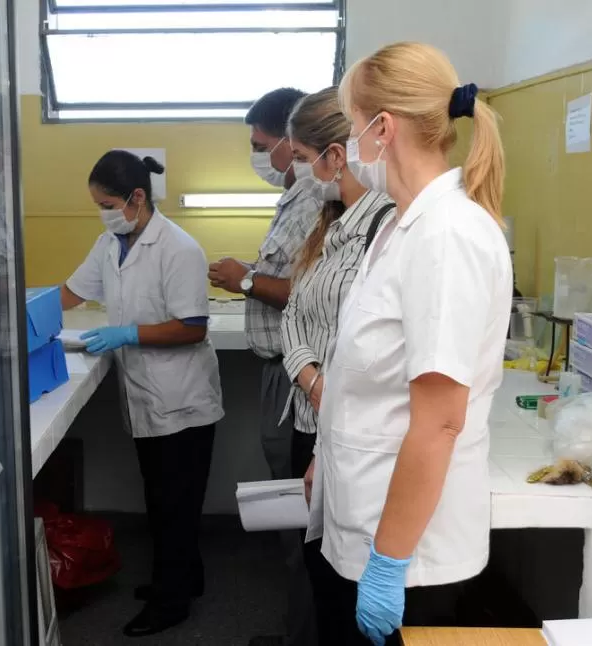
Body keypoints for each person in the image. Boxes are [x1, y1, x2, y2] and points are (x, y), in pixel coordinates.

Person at [304, 42, 512, 646]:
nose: (352, 144)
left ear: (383, 128)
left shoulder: (447, 235)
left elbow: (440, 422)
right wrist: (329, 453)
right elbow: (373, 370)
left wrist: (390, 563)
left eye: (352, 124)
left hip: (409, 558)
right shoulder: (400, 223)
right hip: (365, 514)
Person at [61, 150, 224, 638]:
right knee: (160, 500)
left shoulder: (179, 249)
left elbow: (192, 328)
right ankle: (181, 581)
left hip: (183, 403)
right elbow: (72, 292)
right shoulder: (111, 241)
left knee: (175, 507)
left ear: (136, 197)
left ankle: (171, 604)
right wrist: (21, 313)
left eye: (108, 203)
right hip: (145, 398)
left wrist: (127, 333)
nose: (103, 213)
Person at [209, 87, 319, 646]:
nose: (256, 156)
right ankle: (298, 626)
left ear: (291, 142)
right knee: (290, 506)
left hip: (297, 374)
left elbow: (305, 290)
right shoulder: (295, 197)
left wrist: (247, 280)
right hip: (283, 372)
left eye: (261, 145)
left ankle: (303, 633)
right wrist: (251, 273)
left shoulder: (316, 202)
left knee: (297, 511)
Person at [280, 87, 394, 487]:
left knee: (332, 546)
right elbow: (293, 311)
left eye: (301, 158)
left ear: (336, 156)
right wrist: (309, 378)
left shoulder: (385, 228)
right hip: (310, 414)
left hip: (348, 430)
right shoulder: (330, 221)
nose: (296, 171)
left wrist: (325, 396)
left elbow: (368, 343)